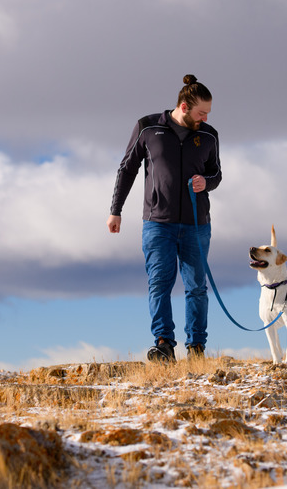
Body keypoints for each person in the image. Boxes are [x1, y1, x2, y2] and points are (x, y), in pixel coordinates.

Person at [107, 75, 222, 363]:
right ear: (184, 106)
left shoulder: (209, 135)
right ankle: (163, 344)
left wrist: (205, 183)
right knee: (159, 283)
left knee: (196, 285)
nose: (205, 117)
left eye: (207, 112)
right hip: (158, 223)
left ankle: (196, 347)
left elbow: (216, 174)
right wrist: (115, 209)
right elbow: (127, 169)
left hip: (197, 224)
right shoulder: (148, 127)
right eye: (201, 112)